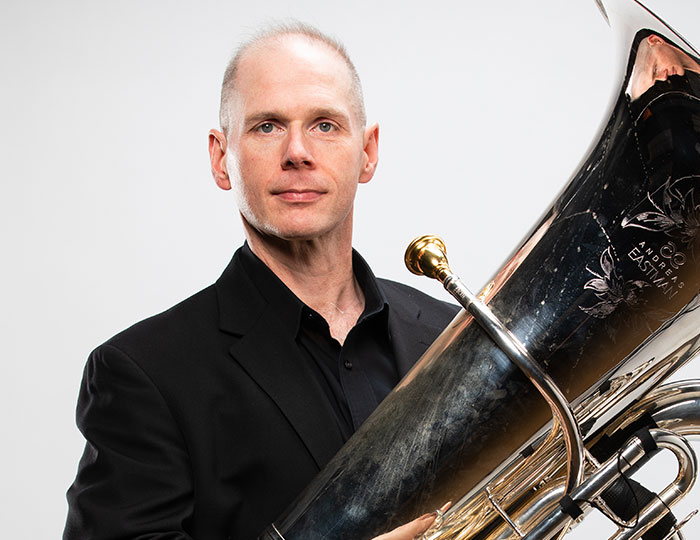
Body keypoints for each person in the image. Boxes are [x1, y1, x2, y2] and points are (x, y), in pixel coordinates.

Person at [64, 23, 458, 540]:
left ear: (368, 152)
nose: (298, 151)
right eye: (267, 127)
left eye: (325, 125)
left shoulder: (451, 332)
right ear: (220, 158)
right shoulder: (144, 373)